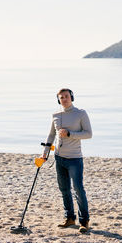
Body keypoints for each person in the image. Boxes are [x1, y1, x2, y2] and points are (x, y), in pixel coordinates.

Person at [41, 88, 92, 233]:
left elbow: (88, 134)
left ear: (72, 97)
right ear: (58, 100)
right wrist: (45, 153)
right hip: (59, 158)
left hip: (75, 159)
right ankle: (69, 218)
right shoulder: (55, 115)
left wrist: (69, 134)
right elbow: (51, 135)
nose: (64, 99)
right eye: (61, 97)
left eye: (66, 96)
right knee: (64, 189)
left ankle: (84, 221)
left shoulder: (81, 113)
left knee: (78, 189)